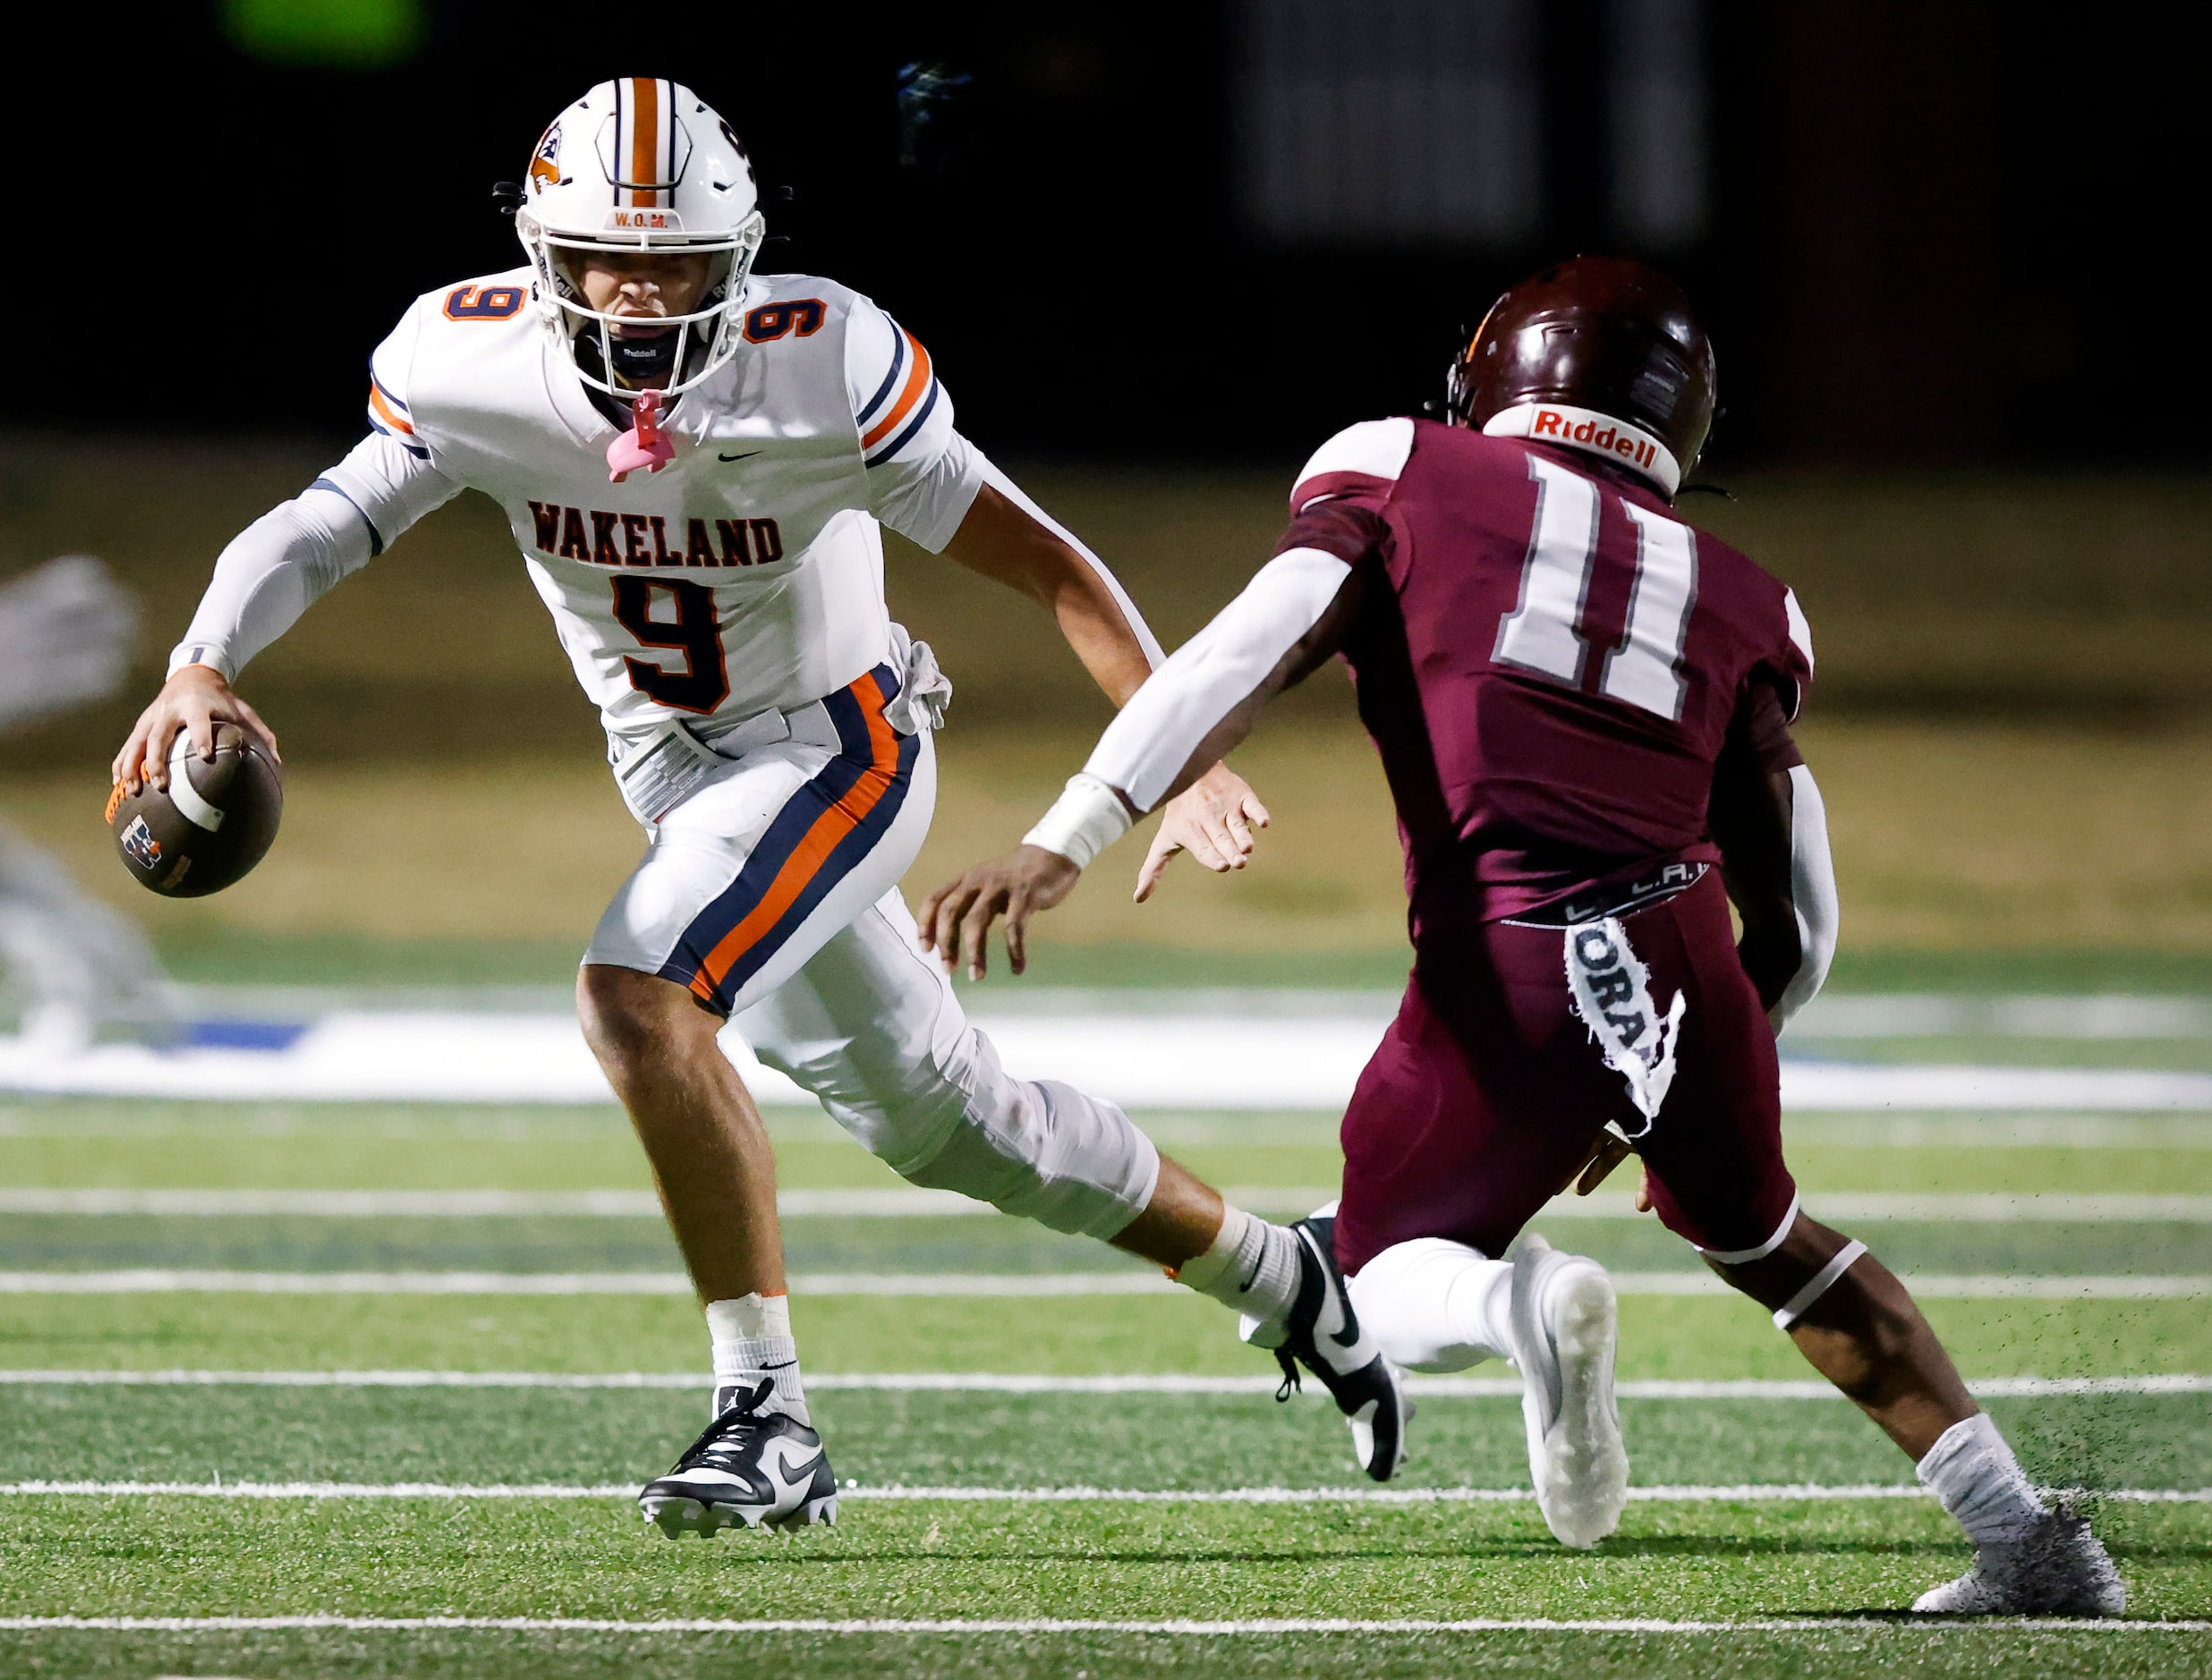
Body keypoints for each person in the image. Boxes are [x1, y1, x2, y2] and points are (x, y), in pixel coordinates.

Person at [108, 79, 1403, 1537]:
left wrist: (1179, 748)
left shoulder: (823, 366)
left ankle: (767, 1420)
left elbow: (1048, 563)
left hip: (838, 743)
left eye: (680, 264)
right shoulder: (468, 364)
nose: (648, 293)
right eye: (614, 259)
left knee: (636, 999)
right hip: (679, 776)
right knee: (959, 1126)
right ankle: (1287, 1276)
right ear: (547, 257)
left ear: (743, 261)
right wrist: (204, 655)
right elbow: (327, 520)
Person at [919, 257, 2124, 1613]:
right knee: (1778, 1244)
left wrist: (1068, 830)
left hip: (1509, 952)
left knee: (1369, 1276)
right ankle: (2031, 1541)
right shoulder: (1744, 594)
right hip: (1681, 952)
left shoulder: (1401, 466)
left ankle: (1520, 1307)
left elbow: (1235, 655)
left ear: (1496, 373)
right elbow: (1805, 915)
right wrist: (1685, 1055)